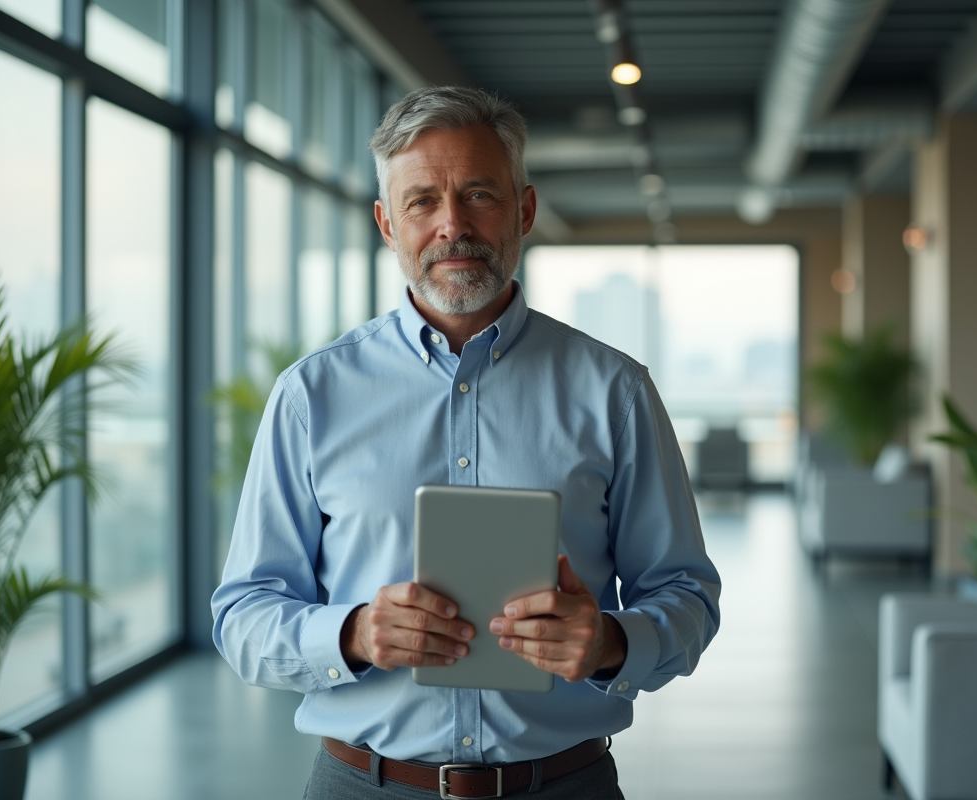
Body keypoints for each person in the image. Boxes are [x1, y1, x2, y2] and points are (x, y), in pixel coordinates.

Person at [212, 85, 721, 800]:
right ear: (388, 225)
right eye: (422, 201)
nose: (453, 224)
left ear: (524, 210)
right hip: (362, 785)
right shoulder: (310, 396)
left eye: (479, 193)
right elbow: (242, 618)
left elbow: (686, 594)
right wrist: (353, 635)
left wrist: (609, 644)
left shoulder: (617, 391)